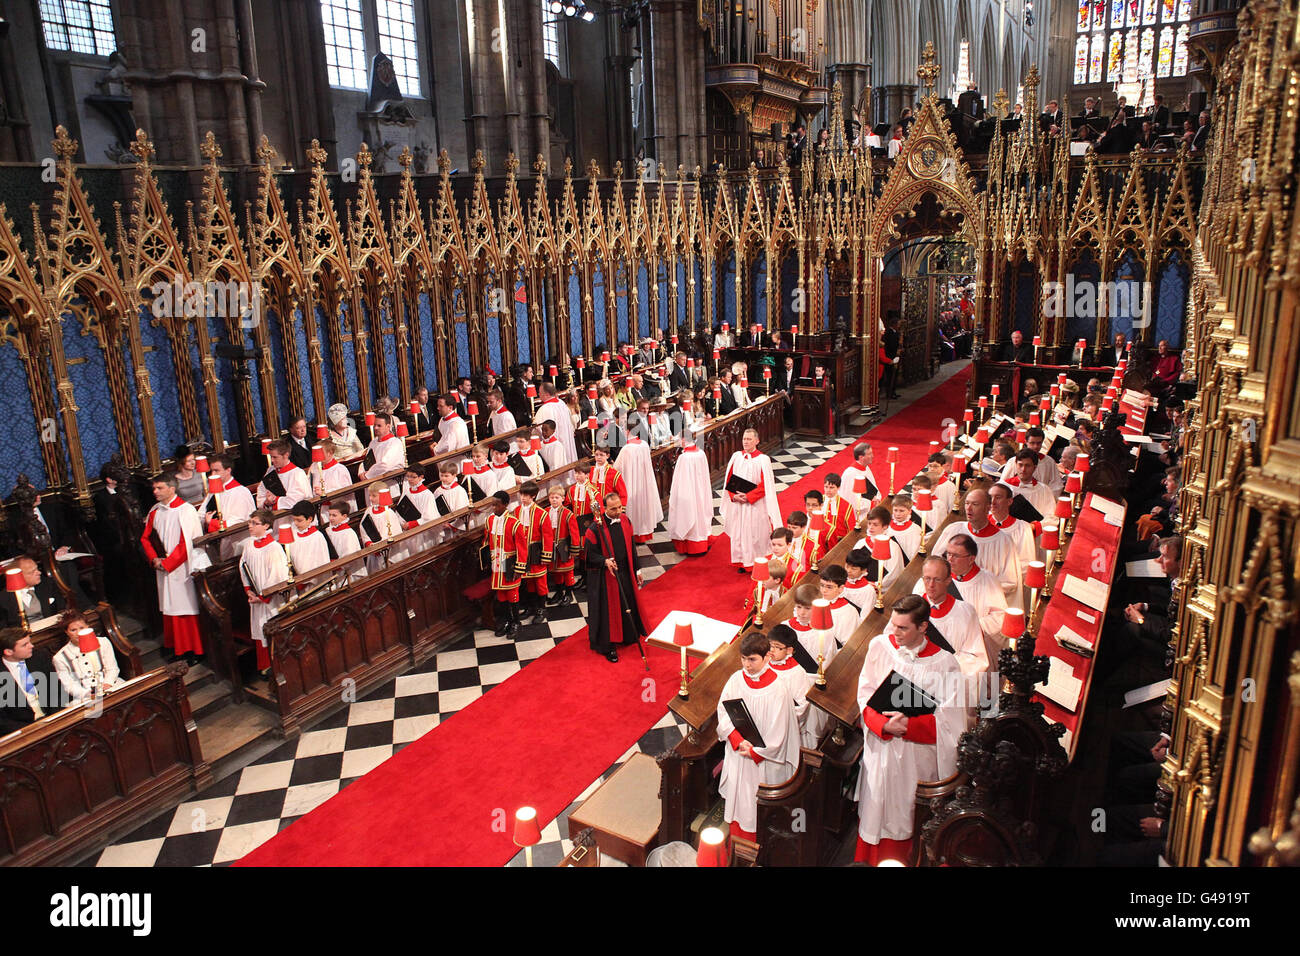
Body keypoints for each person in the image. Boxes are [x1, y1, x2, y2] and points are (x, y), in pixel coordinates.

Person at [853, 595, 966, 865]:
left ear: (924, 627)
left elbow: (952, 724)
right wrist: (882, 724)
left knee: (905, 815)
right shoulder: (880, 646)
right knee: (875, 809)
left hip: (915, 757)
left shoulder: (945, 664)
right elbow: (864, 694)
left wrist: (908, 726)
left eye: (903, 628)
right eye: (893, 625)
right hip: (881, 747)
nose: (895, 632)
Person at [715, 630, 801, 842]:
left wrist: (755, 751)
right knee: (738, 808)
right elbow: (723, 711)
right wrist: (736, 740)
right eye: (743, 658)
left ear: (767, 657)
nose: (747, 664)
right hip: (738, 753)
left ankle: (756, 850)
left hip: (762, 761)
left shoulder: (778, 689)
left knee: (755, 811)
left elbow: (779, 732)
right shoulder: (736, 679)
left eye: (752, 659)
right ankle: (736, 848)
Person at [141, 473, 210, 661]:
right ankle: (177, 648)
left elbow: (186, 543)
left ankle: (195, 651)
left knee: (185, 609)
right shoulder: (155, 510)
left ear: (172, 489)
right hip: (162, 567)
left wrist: (168, 563)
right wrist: (154, 559)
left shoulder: (185, 510)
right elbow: (145, 538)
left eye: (159, 488)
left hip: (182, 568)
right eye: (154, 488)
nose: (155, 492)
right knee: (170, 607)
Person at [583, 492, 647, 663]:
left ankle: (627, 635)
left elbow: (631, 547)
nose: (618, 511)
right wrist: (604, 561)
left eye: (620, 507)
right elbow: (588, 556)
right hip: (605, 577)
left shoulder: (626, 520)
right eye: (613, 509)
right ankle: (608, 646)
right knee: (609, 611)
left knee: (627, 603)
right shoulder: (594, 529)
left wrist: (637, 569)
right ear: (604, 508)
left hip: (625, 572)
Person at [930, 487, 1021, 605]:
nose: (969, 508)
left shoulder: (1003, 541)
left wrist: (975, 589)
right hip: (948, 597)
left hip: (982, 602)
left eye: (975, 504)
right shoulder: (954, 529)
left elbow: (1009, 582)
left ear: (988, 508)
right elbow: (935, 563)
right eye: (967, 503)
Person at [941, 534, 1009, 666]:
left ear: (971, 558)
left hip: (973, 649)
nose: (950, 559)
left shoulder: (988, 581)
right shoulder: (940, 578)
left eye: (955, 555)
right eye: (948, 554)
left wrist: (971, 627)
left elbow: (1000, 617)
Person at [721, 428, 781, 573]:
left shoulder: (763, 459)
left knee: (755, 534)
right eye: (744, 439)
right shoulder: (736, 456)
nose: (745, 442)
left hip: (755, 504)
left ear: (757, 441)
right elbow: (729, 480)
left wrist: (748, 497)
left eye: (749, 439)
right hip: (738, 504)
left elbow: (765, 485)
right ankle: (742, 561)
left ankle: (757, 562)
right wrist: (733, 496)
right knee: (739, 533)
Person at [238, 509, 290, 674]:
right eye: (249, 522)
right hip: (255, 597)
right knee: (260, 631)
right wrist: (248, 590)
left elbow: (277, 575)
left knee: (272, 630)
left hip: (270, 600)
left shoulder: (274, 548)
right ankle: (265, 666)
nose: (250, 526)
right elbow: (243, 566)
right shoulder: (249, 544)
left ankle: (278, 667)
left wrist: (262, 597)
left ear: (266, 525)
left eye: (255, 523)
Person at [766, 623, 820, 749]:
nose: (771, 650)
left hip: (781, 725)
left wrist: (780, 724)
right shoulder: (764, 663)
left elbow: (801, 705)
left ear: (789, 650)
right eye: (770, 645)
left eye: (777, 647)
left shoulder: (796, 672)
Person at [52, 610, 123, 705]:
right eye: (73, 630)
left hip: (110, 685)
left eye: (82, 628)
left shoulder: (103, 642)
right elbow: (68, 685)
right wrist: (88, 693)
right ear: (67, 632)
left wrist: (107, 684)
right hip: (84, 696)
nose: (78, 633)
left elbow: (112, 668)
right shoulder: (60, 658)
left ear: (88, 626)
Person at [0, 627, 63, 733]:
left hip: (55, 719)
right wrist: (31, 730)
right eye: (25, 645)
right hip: (23, 731)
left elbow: (57, 691)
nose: (32, 646)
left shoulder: (40, 656)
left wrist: (54, 719)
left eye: (29, 642)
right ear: (8, 652)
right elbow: (3, 720)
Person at [482, 491, 527, 637]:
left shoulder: (515, 523)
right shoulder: (489, 520)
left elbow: (522, 547)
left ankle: (516, 622)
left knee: (512, 592)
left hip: (510, 563)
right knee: (501, 593)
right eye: (492, 505)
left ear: (505, 504)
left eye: (497, 505)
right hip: (496, 561)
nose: (494, 508)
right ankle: (507, 620)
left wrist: (520, 567)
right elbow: (487, 540)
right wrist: (486, 558)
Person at [666, 432, 712, 555]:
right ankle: (701, 543)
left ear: (683, 440)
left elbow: (679, 481)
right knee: (700, 516)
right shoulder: (701, 453)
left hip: (688, 494)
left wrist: (676, 496)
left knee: (688, 514)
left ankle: (690, 546)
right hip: (700, 492)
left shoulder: (684, 458)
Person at [614, 429, 663, 543]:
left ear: (627, 431)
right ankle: (645, 532)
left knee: (634, 507)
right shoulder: (644, 444)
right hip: (644, 481)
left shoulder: (626, 449)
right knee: (643, 505)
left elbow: (617, 468)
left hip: (631, 481)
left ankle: (634, 533)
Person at [0, 555, 62, 628]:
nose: (39, 573)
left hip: (52, 630)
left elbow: (62, 608)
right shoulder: (4, 598)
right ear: (19, 576)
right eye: (32, 572)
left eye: (37, 569)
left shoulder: (48, 585)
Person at [544, 485, 581, 607]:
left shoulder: (568, 514)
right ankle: (559, 593)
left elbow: (574, 533)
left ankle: (569, 593)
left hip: (565, 548)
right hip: (552, 548)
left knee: (568, 572)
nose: (554, 500)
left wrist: (573, 549)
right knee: (556, 572)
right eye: (552, 497)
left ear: (563, 498)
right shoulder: (546, 512)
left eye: (557, 497)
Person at [257, 440, 311, 511]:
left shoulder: (297, 473)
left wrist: (275, 500)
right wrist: (266, 502)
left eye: (275, 457)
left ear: (286, 455)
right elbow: (261, 491)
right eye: (271, 457)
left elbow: (296, 500)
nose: (272, 460)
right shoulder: (270, 470)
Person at [1003, 449, 1057, 516]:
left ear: (1034, 467)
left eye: (1027, 465)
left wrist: (1035, 525)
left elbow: (1051, 515)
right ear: (1015, 465)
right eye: (1020, 465)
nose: (1023, 469)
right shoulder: (1003, 487)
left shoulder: (1044, 490)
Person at [534, 381, 579, 462]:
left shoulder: (544, 409)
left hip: (555, 448)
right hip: (567, 443)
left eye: (540, 393)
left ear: (547, 394)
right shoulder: (562, 403)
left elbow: (538, 431)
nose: (539, 395)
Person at [286, 500, 332, 577]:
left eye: (299, 520)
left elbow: (323, 562)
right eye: (294, 520)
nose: (296, 523)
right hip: (300, 579)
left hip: (317, 580)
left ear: (310, 519)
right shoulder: (294, 535)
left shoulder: (317, 537)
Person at [358, 412, 407, 483]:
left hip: (388, 481)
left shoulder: (395, 443)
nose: (375, 428)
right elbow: (366, 461)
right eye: (374, 425)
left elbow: (385, 465)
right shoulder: (373, 442)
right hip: (371, 481)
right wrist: (361, 473)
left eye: (379, 425)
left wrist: (367, 475)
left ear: (388, 426)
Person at [324, 501, 366, 582]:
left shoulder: (349, 534)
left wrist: (336, 564)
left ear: (344, 516)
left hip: (350, 574)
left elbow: (350, 557)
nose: (331, 518)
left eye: (334, 515)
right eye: (330, 515)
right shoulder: (329, 530)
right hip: (335, 569)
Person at [841, 442, 882, 517]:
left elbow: (873, 487)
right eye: (869, 454)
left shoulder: (866, 468)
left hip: (869, 508)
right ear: (861, 457)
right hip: (857, 516)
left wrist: (877, 498)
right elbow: (850, 500)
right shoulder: (850, 474)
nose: (872, 456)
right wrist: (871, 503)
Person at [821, 473, 856, 551]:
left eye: (832, 487)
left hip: (838, 543)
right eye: (826, 487)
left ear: (838, 487)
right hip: (821, 541)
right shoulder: (819, 501)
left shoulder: (846, 505)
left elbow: (851, 528)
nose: (828, 490)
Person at [888, 493, 922, 562]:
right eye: (895, 510)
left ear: (909, 511)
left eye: (901, 511)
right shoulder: (886, 526)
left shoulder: (915, 529)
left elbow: (914, 552)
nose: (898, 514)